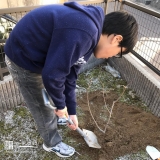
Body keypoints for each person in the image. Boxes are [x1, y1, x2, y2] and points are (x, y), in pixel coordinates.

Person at [4, 1, 138, 158]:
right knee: (41, 105)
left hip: (40, 58)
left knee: (53, 94)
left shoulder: (91, 34)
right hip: (23, 59)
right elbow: (52, 75)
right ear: (116, 39)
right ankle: (51, 143)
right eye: (117, 53)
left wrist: (71, 110)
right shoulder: (84, 32)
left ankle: (60, 116)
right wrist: (61, 106)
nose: (111, 56)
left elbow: (71, 73)